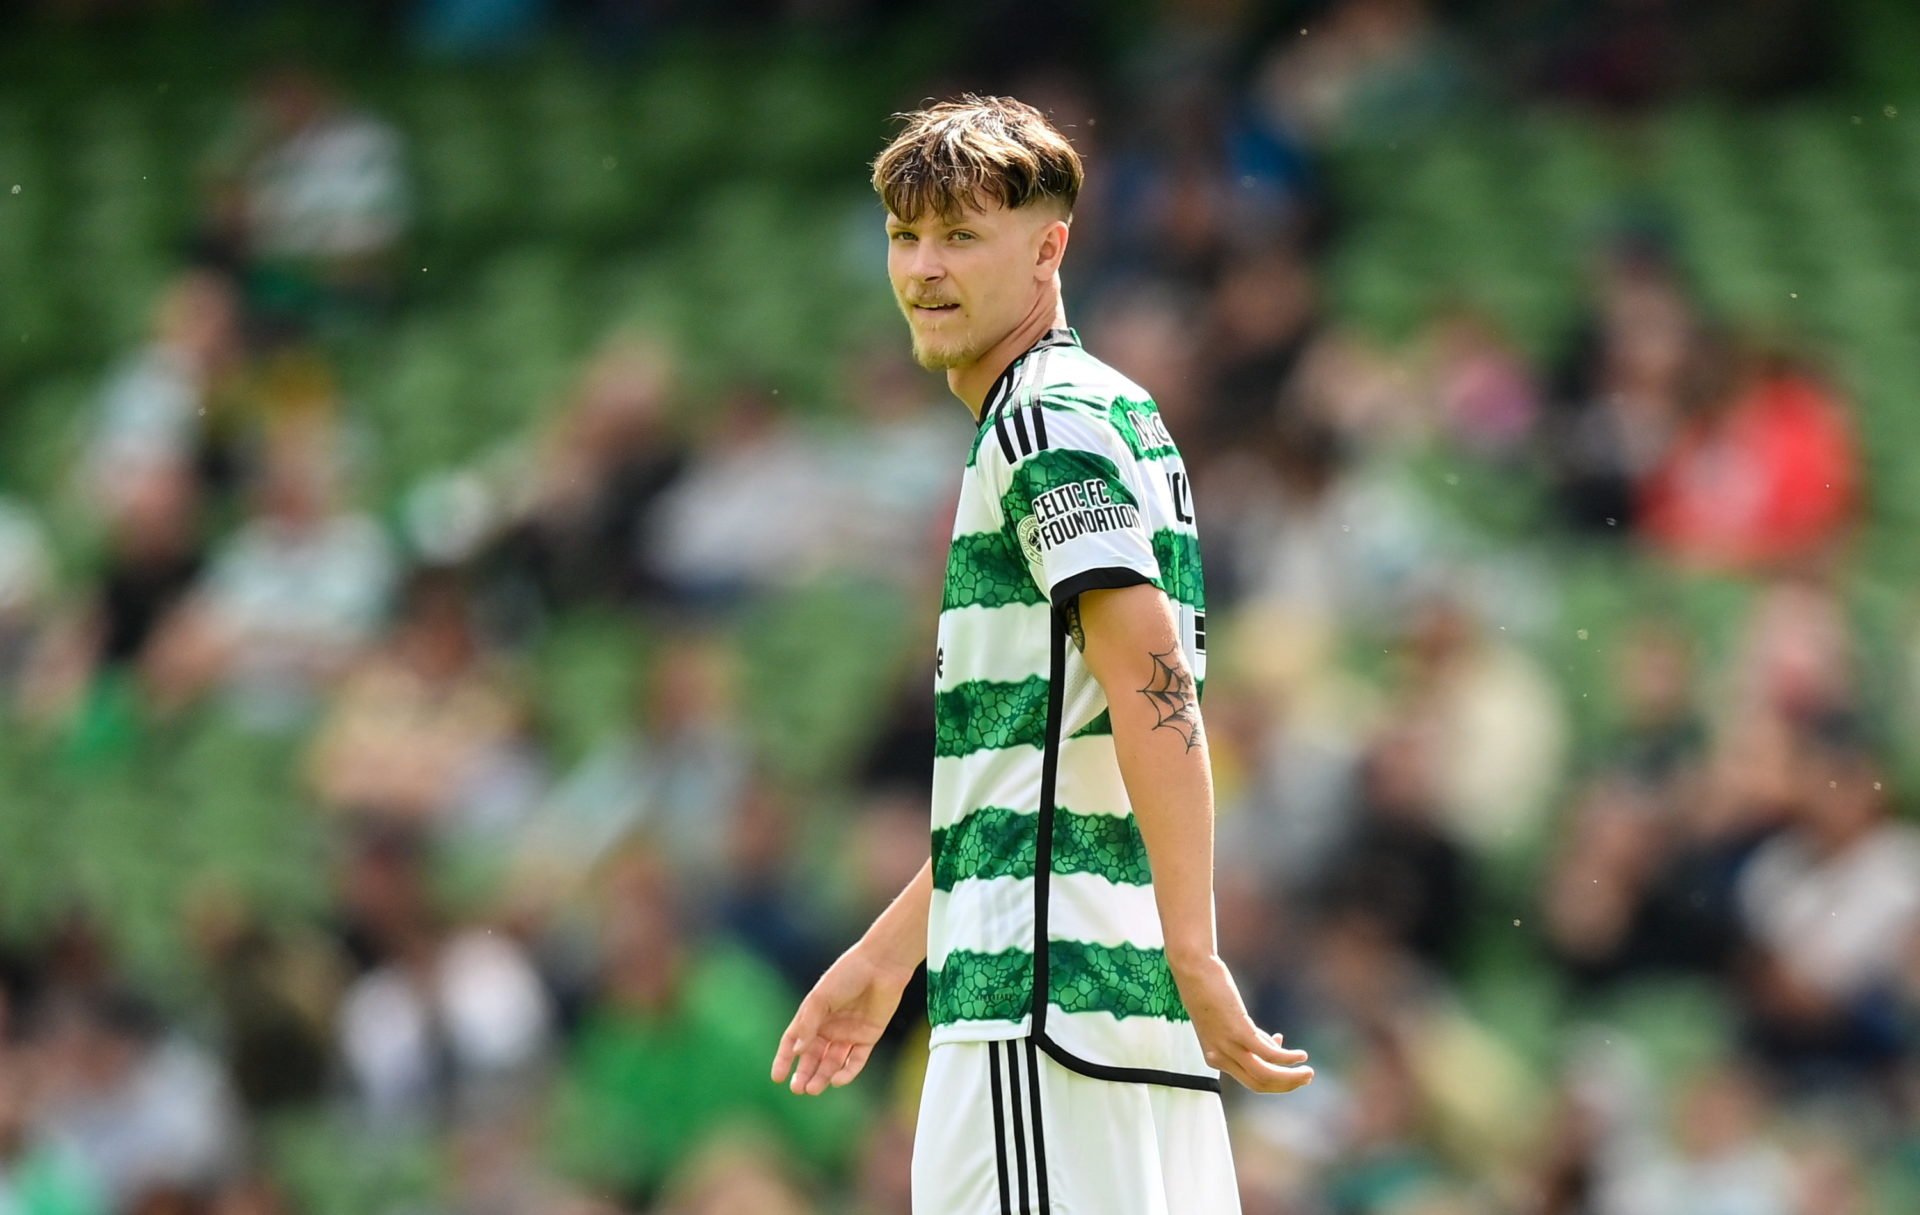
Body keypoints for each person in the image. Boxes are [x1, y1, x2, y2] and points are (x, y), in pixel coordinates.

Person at [770, 95, 1314, 1215]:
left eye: (961, 235)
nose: (923, 267)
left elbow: (1148, 682)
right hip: (1110, 1017)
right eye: (904, 236)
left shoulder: (1040, 420)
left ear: (1049, 247)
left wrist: (1198, 947)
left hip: (1044, 1015)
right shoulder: (1119, 412)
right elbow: (1050, 763)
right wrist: (888, 957)